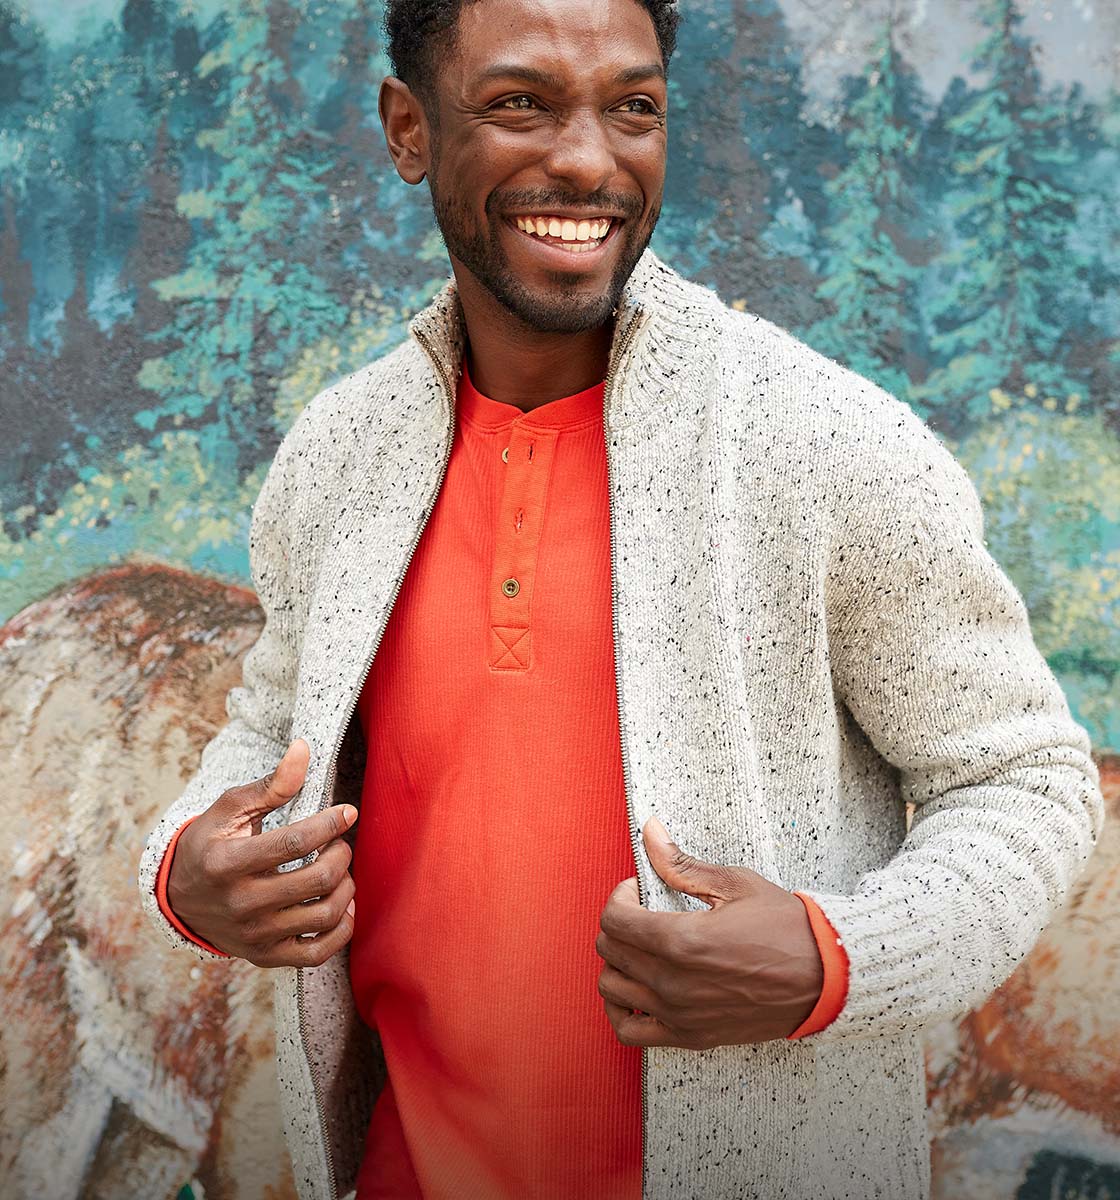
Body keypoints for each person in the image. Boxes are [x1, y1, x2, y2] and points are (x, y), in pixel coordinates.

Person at [137, 1, 1106, 1198]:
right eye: (520, 103)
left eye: (632, 108)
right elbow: (269, 734)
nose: (589, 161)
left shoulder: (830, 446)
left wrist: (838, 959)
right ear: (409, 129)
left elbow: (1024, 782)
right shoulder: (337, 456)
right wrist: (186, 869)